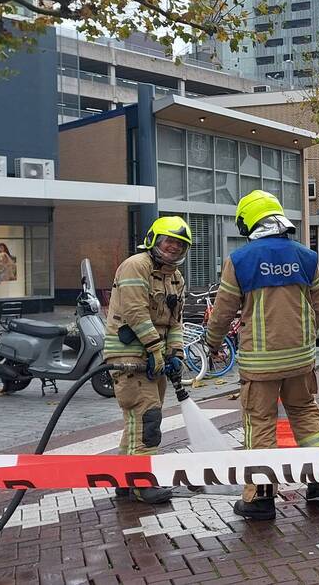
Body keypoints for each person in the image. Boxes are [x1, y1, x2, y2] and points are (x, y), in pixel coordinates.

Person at [206, 190, 319, 521]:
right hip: (301, 359)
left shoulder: (241, 260)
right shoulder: (308, 257)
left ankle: (260, 498)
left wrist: (213, 343)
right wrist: (305, 340)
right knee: (305, 415)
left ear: (249, 222)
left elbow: (222, 311)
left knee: (260, 424)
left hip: (260, 364)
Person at [104, 216, 190, 504]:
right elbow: (135, 312)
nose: (174, 248)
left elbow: (175, 323)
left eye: (180, 245)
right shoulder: (135, 266)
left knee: (138, 420)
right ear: (154, 240)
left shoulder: (175, 278)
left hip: (155, 357)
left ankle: (124, 480)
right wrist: (156, 350)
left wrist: (175, 353)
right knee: (147, 416)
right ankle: (141, 483)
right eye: (169, 242)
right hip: (129, 355)